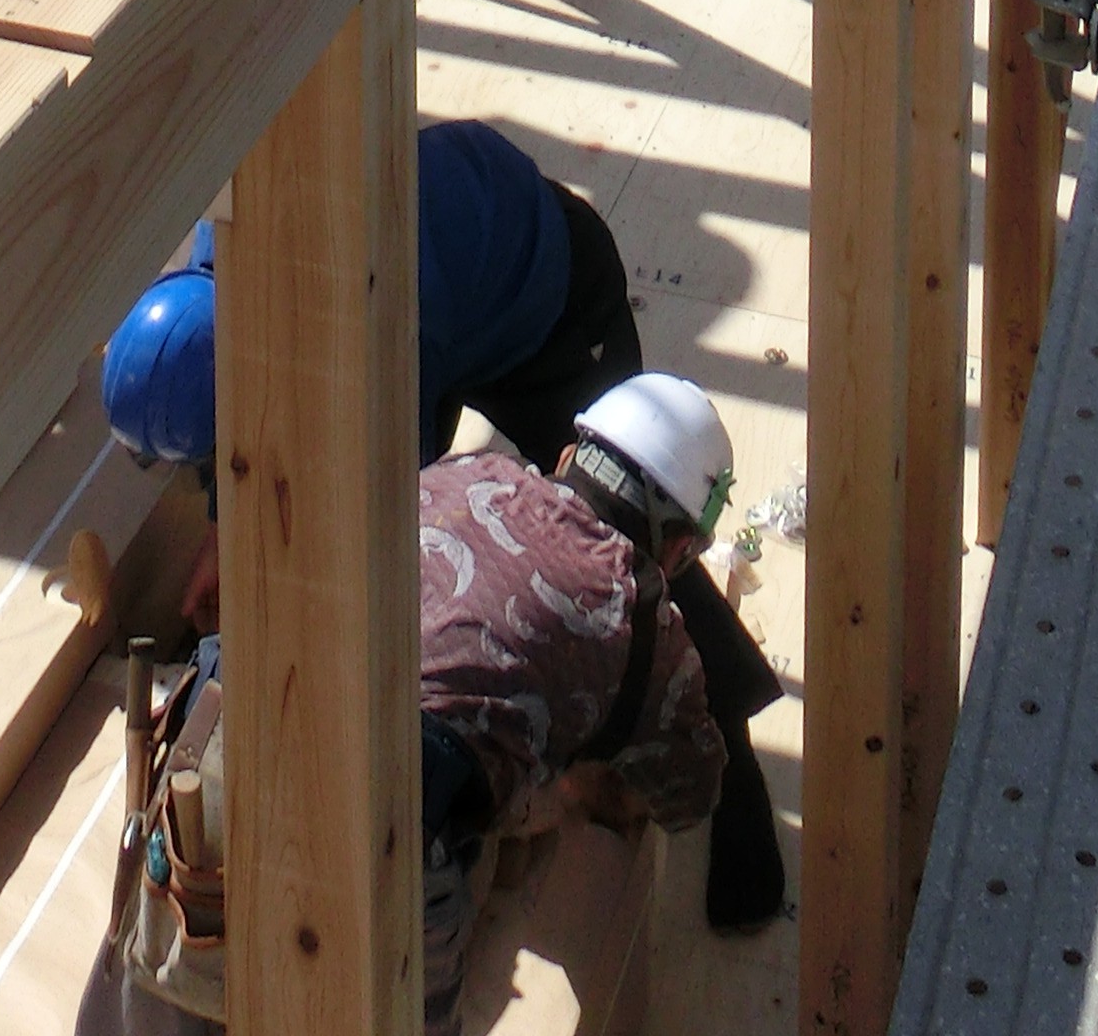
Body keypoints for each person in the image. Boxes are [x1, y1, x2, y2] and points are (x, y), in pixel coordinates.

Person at [101, 121, 785, 936]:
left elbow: (392, 527)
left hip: (549, 302)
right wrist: (227, 530)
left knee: (635, 540)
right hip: (449, 276)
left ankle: (731, 757)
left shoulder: (375, 324)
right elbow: (240, 431)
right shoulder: (218, 274)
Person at [416, 374, 734, 1031]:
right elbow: (692, 792)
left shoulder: (466, 470)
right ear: (678, 550)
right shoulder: (641, 622)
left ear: (567, 457)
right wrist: (582, 771)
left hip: (233, 723)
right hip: (395, 826)